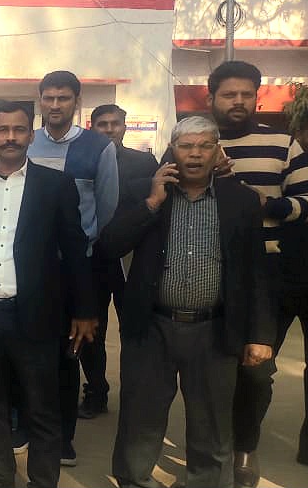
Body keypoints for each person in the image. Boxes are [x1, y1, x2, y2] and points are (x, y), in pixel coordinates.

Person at [102, 116, 274, 488]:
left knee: (211, 421)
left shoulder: (241, 200)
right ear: (172, 151)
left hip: (215, 329)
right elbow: (110, 245)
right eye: (186, 146)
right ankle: (134, 479)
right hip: (152, 326)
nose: (195, 154)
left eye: (204, 146)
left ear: (217, 152)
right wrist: (151, 203)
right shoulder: (143, 191)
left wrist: (260, 334)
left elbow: (255, 270)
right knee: (141, 415)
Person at [0, 102, 97, 488]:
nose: (10, 137)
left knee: (41, 406)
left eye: (18, 130)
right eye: (3, 130)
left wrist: (84, 310)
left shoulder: (55, 185)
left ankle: (43, 482)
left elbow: (75, 250)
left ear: (31, 134)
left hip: (36, 314)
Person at [209, 61, 308, 488]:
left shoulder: (282, 144)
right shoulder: (195, 141)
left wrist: (268, 206)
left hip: (266, 273)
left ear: (256, 97)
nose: (238, 101)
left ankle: (244, 449)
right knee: (218, 366)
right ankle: (213, 449)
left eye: (245, 94)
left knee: (256, 368)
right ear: (211, 98)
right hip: (211, 271)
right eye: (228, 94)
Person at [27, 70, 119, 466]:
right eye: (48, 98)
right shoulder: (27, 142)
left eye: (63, 98)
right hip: (30, 267)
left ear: (76, 102)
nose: (55, 105)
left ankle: (63, 439)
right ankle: (28, 428)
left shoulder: (98, 147)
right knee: (31, 352)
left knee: (69, 354)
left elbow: (107, 208)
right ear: (40, 100)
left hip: (77, 269)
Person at [80, 103, 159, 420]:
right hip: (94, 258)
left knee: (135, 330)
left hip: (132, 259)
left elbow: (156, 205)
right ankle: (96, 391)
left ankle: (136, 398)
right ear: (93, 127)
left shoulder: (144, 162)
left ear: (125, 126)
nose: (110, 129)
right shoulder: (85, 159)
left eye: (115, 123)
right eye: (103, 124)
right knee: (91, 331)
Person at [282, 103, 308, 469]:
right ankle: (243, 441)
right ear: (301, 134)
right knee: (255, 369)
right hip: (279, 280)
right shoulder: (285, 168)